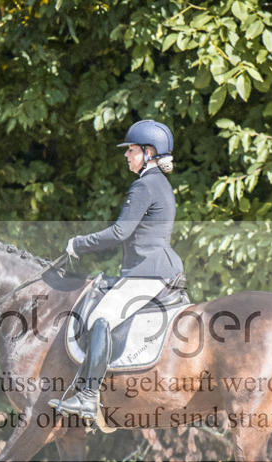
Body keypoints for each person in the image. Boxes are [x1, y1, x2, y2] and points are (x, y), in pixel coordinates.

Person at [49, 119, 183, 420]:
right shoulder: (158, 183)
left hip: (149, 271)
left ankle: (86, 396)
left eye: (132, 150)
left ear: (149, 153)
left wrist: (78, 244)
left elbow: (120, 232)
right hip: (156, 267)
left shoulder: (144, 185)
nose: (126, 155)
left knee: (101, 318)